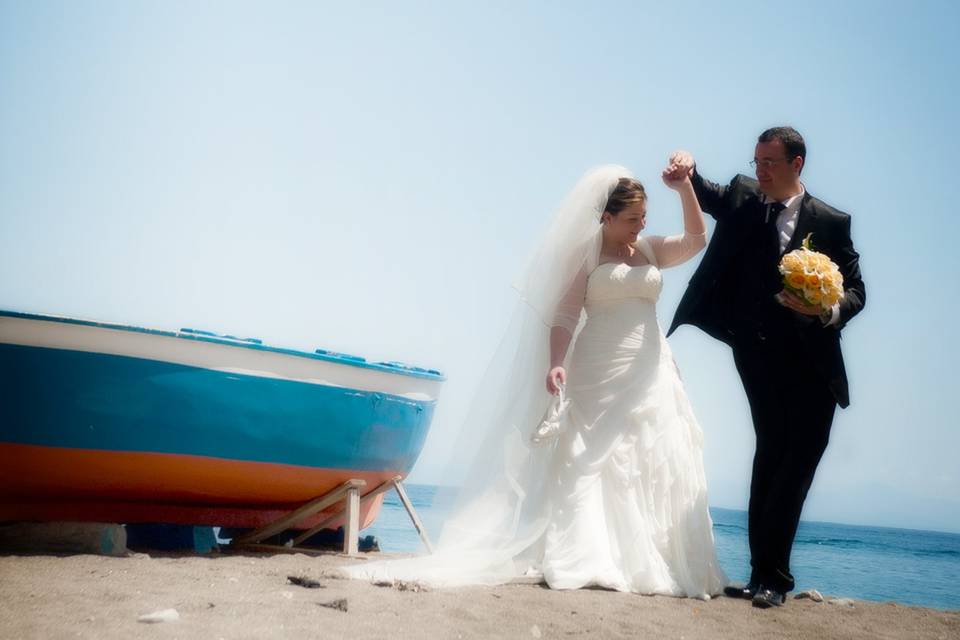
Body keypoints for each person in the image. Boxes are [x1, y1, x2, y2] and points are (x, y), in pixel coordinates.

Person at [339, 162, 727, 599]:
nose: (641, 225)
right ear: (606, 217)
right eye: (633, 218)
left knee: (654, 453)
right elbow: (564, 315)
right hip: (598, 364)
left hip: (650, 367)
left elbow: (697, 239)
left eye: (644, 218)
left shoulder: (652, 250)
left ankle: (647, 558)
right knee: (589, 457)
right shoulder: (588, 254)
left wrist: (685, 188)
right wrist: (556, 362)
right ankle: (590, 555)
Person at [665, 126, 866, 608]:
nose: (760, 170)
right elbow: (705, 190)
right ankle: (764, 577)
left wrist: (827, 311)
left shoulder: (832, 221)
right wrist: (685, 167)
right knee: (771, 457)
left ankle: (771, 577)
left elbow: (857, 290)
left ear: (797, 165)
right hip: (756, 355)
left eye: (769, 163)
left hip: (815, 365)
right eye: (756, 161)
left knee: (795, 465)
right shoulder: (744, 196)